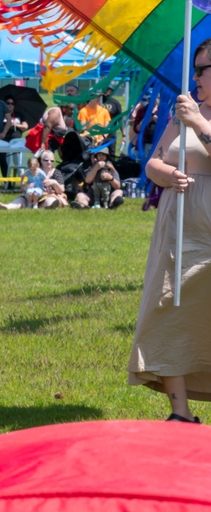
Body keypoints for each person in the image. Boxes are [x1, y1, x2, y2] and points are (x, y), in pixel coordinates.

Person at [128, 38, 211, 423]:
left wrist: (199, 123)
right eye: (194, 69)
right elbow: (153, 163)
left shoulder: (194, 116)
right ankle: (181, 414)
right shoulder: (183, 112)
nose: (194, 77)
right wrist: (166, 173)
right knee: (167, 308)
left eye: (202, 70)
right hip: (179, 227)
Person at [0, 149, 67, 210]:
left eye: (51, 161)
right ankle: (6, 207)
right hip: (31, 195)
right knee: (21, 200)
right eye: (46, 160)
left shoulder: (56, 172)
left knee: (50, 200)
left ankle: (48, 206)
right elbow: (23, 188)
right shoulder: (33, 171)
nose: (49, 162)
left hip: (48, 195)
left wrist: (54, 182)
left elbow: (61, 190)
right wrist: (26, 186)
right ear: (41, 161)